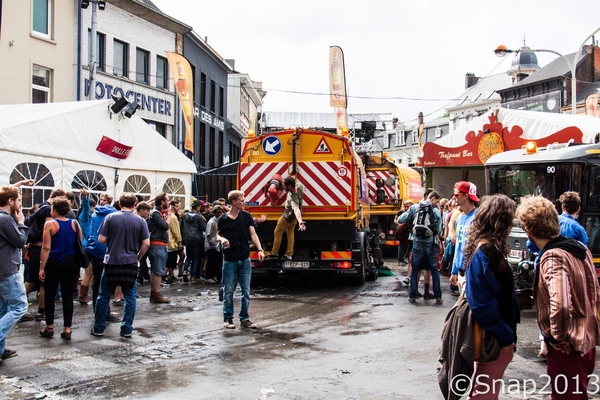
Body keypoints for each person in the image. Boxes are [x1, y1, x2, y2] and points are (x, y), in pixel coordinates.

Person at [516, 195, 600, 399]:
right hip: (585, 344)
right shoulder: (580, 249)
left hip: (567, 349)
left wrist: (555, 337)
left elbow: (561, 304)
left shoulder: (553, 256)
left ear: (528, 229)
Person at [463, 194, 520, 399]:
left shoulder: (485, 247)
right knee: (484, 393)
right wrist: (505, 338)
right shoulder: (487, 251)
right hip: (495, 340)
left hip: (495, 337)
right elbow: (481, 304)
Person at [91, 193, 150, 338]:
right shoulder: (141, 221)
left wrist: (114, 238)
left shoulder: (111, 218)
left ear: (119, 204)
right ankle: (126, 329)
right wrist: (138, 257)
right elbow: (146, 243)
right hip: (130, 262)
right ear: (135, 204)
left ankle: (99, 327)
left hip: (112, 261)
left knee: (103, 295)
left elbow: (101, 239)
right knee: (130, 297)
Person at [217, 190, 264, 329]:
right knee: (229, 290)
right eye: (242, 199)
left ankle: (244, 319)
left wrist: (260, 249)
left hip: (244, 258)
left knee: (246, 291)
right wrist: (223, 239)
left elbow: (253, 234)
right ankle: (228, 319)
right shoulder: (223, 219)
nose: (244, 201)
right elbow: (216, 236)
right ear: (234, 202)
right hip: (230, 259)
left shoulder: (246, 216)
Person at [38, 197, 81, 340]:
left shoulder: (50, 224)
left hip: (54, 262)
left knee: (50, 294)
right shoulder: (75, 223)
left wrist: (41, 267)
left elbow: (46, 247)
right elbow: (79, 243)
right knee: (68, 295)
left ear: (55, 209)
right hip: (72, 262)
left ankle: (49, 327)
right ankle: (67, 329)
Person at [397, 190, 443, 304]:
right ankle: (438, 296)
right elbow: (439, 229)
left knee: (415, 269)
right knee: (434, 270)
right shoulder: (435, 211)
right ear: (432, 198)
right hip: (430, 244)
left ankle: (412, 295)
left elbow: (400, 220)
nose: (437, 204)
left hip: (417, 242)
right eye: (437, 201)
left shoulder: (415, 207)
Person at [0, 185, 28, 360]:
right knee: (20, 306)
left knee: (3, 310)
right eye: (18, 199)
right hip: (7, 270)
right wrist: (21, 223)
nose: (20, 203)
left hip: (3, 269)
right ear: (10, 201)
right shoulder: (5, 220)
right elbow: (20, 241)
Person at [84, 192, 120, 322]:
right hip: (106, 251)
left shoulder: (95, 213)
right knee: (105, 285)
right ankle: (103, 313)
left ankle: (99, 311)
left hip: (94, 250)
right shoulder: (113, 214)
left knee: (97, 283)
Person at [266, 176, 306, 261]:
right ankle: (289, 254)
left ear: (290, 187)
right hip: (293, 219)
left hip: (286, 218)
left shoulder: (292, 197)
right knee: (290, 233)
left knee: (277, 232)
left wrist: (300, 221)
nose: (283, 187)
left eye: (285, 186)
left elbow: (296, 209)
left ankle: (274, 253)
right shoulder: (299, 187)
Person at [450, 181, 479, 296]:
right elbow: (458, 245)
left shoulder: (477, 218)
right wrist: (454, 270)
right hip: (461, 272)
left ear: (466, 196)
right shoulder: (460, 218)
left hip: (471, 271)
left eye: (457, 195)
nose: (454, 197)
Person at [146, 192, 171, 303]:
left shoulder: (157, 212)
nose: (169, 202)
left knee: (156, 269)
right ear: (162, 202)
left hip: (157, 244)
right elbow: (165, 226)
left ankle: (155, 293)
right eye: (167, 200)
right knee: (158, 270)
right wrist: (169, 215)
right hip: (157, 244)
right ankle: (156, 294)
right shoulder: (156, 213)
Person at [180, 199, 207, 283]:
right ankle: (193, 277)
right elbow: (203, 228)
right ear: (198, 207)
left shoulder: (185, 215)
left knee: (189, 256)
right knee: (195, 258)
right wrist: (204, 221)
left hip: (187, 239)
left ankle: (185, 270)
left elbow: (182, 227)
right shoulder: (198, 217)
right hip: (197, 239)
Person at [77, 188, 95, 305]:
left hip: (87, 246)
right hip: (87, 247)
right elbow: (86, 208)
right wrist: (85, 198)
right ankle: (82, 296)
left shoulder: (85, 218)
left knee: (91, 272)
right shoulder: (84, 217)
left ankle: (91, 294)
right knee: (89, 273)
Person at [204, 205, 224, 283]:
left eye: (221, 212)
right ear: (214, 213)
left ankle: (217, 277)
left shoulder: (219, 221)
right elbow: (208, 234)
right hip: (212, 246)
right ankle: (209, 276)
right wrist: (211, 244)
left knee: (218, 262)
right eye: (218, 212)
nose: (219, 214)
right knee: (211, 262)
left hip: (218, 245)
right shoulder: (212, 221)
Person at [165, 199, 183, 284]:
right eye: (177, 206)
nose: (178, 208)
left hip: (169, 241)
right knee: (171, 260)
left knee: (171, 260)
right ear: (172, 207)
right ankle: (164, 275)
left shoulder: (169, 216)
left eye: (179, 206)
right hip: (172, 242)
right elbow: (176, 231)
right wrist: (179, 241)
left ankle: (171, 275)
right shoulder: (173, 217)